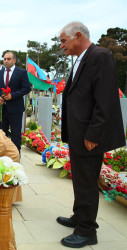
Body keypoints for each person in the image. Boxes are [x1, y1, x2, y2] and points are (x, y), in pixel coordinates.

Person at [57, 21, 125, 248]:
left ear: (78, 36)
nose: (61, 46)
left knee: (87, 182)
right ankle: (80, 217)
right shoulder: (82, 59)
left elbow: (105, 99)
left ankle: (87, 231)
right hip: (79, 134)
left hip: (89, 135)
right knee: (81, 179)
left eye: (64, 41)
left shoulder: (100, 56)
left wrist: (94, 134)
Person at [0, 51, 31, 152]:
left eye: (8, 59)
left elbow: (27, 88)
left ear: (14, 60)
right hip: (2, 109)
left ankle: (16, 158)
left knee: (15, 134)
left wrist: (12, 96)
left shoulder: (21, 72)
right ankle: (3, 156)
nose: (6, 61)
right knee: (2, 134)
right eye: (5, 59)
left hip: (15, 109)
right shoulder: (0, 73)